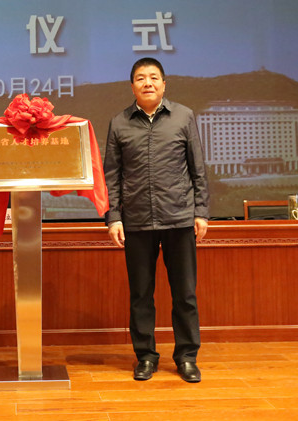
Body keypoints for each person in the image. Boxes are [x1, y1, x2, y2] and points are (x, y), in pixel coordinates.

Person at [103, 57, 209, 383]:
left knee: (185, 295)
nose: (147, 83)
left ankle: (187, 357)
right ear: (132, 86)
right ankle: (146, 356)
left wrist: (201, 211)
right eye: (140, 78)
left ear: (164, 84)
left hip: (179, 218)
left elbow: (198, 169)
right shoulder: (119, 123)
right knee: (140, 295)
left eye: (153, 77)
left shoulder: (183, 116)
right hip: (136, 221)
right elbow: (111, 176)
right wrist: (113, 217)